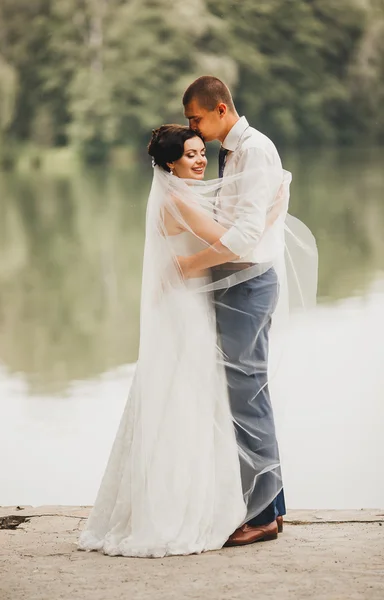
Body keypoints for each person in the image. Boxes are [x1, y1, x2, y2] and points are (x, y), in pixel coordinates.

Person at [77, 125, 247, 558]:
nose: (200, 159)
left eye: (201, 152)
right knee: (186, 399)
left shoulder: (181, 196)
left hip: (185, 303)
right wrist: (272, 210)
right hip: (184, 312)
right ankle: (177, 510)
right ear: (170, 161)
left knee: (182, 397)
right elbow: (227, 243)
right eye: (190, 154)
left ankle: (184, 499)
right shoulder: (176, 200)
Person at [179, 75, 290, 545]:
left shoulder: (255, 150)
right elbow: (257, 211)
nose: (194, 129)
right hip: (238, 285)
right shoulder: (235, 151)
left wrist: (191, 264)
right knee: (251, 396)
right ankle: (273, 507)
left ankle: (262, 515)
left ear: (220, 110)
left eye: (197, 119)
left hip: (246, 287)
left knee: (247, 399)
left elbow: (244, 237)